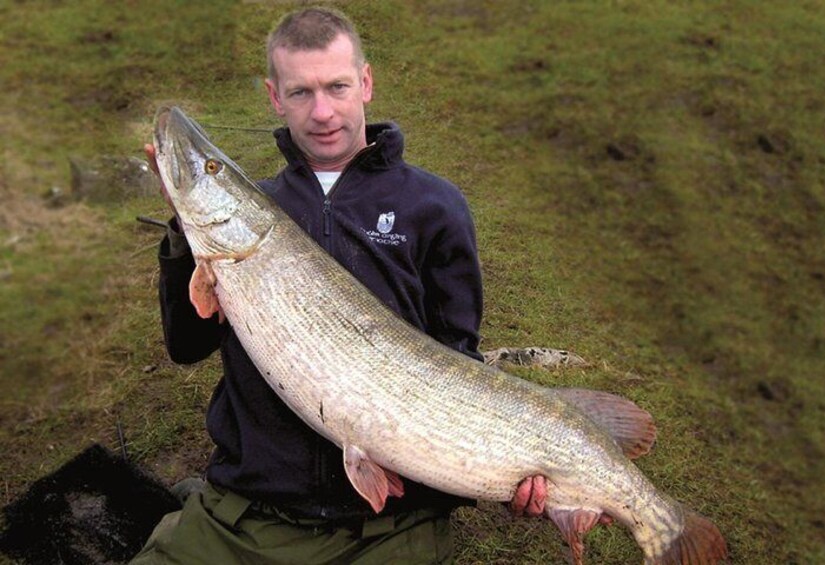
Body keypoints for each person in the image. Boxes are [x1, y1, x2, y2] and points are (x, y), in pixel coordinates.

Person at [134, 7, 545, 564]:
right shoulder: (260, 208)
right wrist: (185, 234)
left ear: (366, 84)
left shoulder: (435, 206)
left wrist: (504, 464)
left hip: (393, 525)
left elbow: (456, 355)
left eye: (337, 86)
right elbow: (186, 347)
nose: (323, 111)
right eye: (301, 92)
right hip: (250, 510)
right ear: (274, 97)